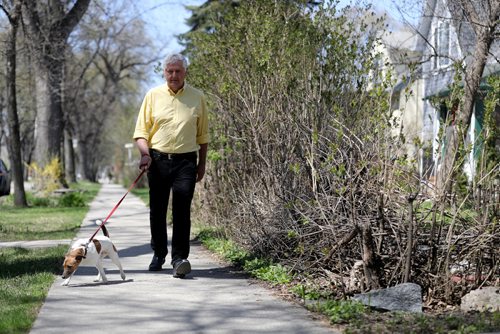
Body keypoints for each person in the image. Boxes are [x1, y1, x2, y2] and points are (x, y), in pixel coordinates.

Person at [133, 53, 209, 278]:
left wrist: (202, 164)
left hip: (186, 161)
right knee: (157, 209)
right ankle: (159, 253)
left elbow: (203, 136)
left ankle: (179, 258)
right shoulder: (152, 95)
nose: (173, 75)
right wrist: (145, 155)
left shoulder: (197, 97)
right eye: (169, 71)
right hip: (157, 160)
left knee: (182, 209)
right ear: (164, 72)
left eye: (178, 71)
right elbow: (140, 133)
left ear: (185, 72)